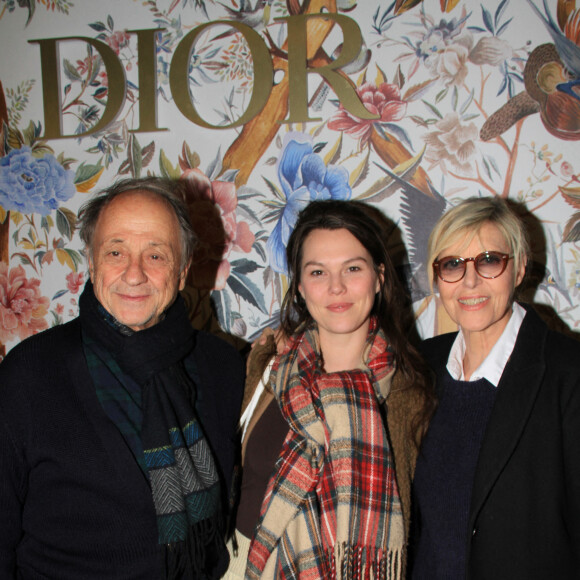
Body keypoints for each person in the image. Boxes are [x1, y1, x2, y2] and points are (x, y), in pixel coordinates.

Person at [0, 177, 245, 579]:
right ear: (92, 264)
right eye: (116, 252)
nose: (134, 274)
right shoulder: (28, 374)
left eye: (155, 255)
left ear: (182, 272)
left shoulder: (223, 367)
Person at [225, 200, 435, 579]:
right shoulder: (266, 368)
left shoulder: (414, 395)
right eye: (318, 272)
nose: (336, 287)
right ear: (301, 286)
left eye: (353, 268)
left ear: (379, 276)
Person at [411, 196, 580, 579]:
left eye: (489, 260)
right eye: (452, 264)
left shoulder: (567, 374)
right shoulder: (420, 367)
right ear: (437, 278)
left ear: (519, 268)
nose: (469, 281)